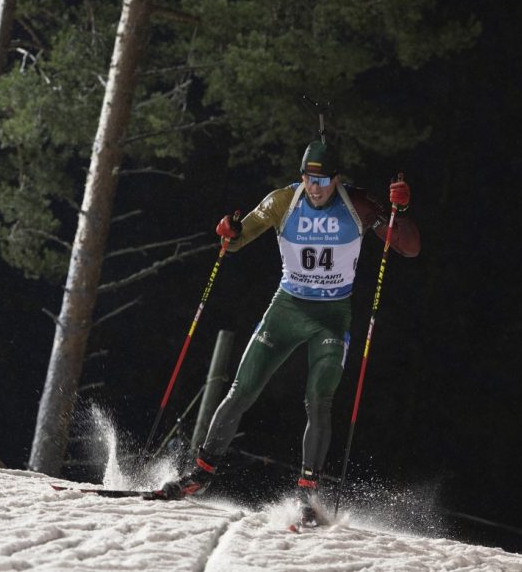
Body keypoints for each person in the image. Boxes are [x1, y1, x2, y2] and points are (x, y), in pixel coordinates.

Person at [157, 140, 421, 525]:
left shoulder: (359, 205)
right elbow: (235, 240)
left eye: (323, 179)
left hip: (332, 315)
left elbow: (410, 248)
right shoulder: (283, 201)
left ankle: (307, 494)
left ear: (337, 179)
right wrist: (228, 231)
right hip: (287, 308)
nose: (315, 187)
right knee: (241, 390)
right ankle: (200, 474)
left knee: (319, 400)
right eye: (309, 178)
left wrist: (401, 210)